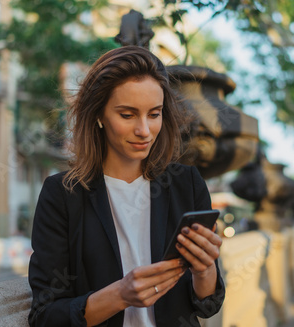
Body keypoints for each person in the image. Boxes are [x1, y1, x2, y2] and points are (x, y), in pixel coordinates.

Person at [28, 46, 225, 327]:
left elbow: (208, 305)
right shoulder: (62, 195)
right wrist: (120, 294)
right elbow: (45, 317)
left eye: (154, 114)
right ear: (98, 115)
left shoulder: (186, 184)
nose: (144, 131)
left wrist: (204, 270)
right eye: (127, 115)